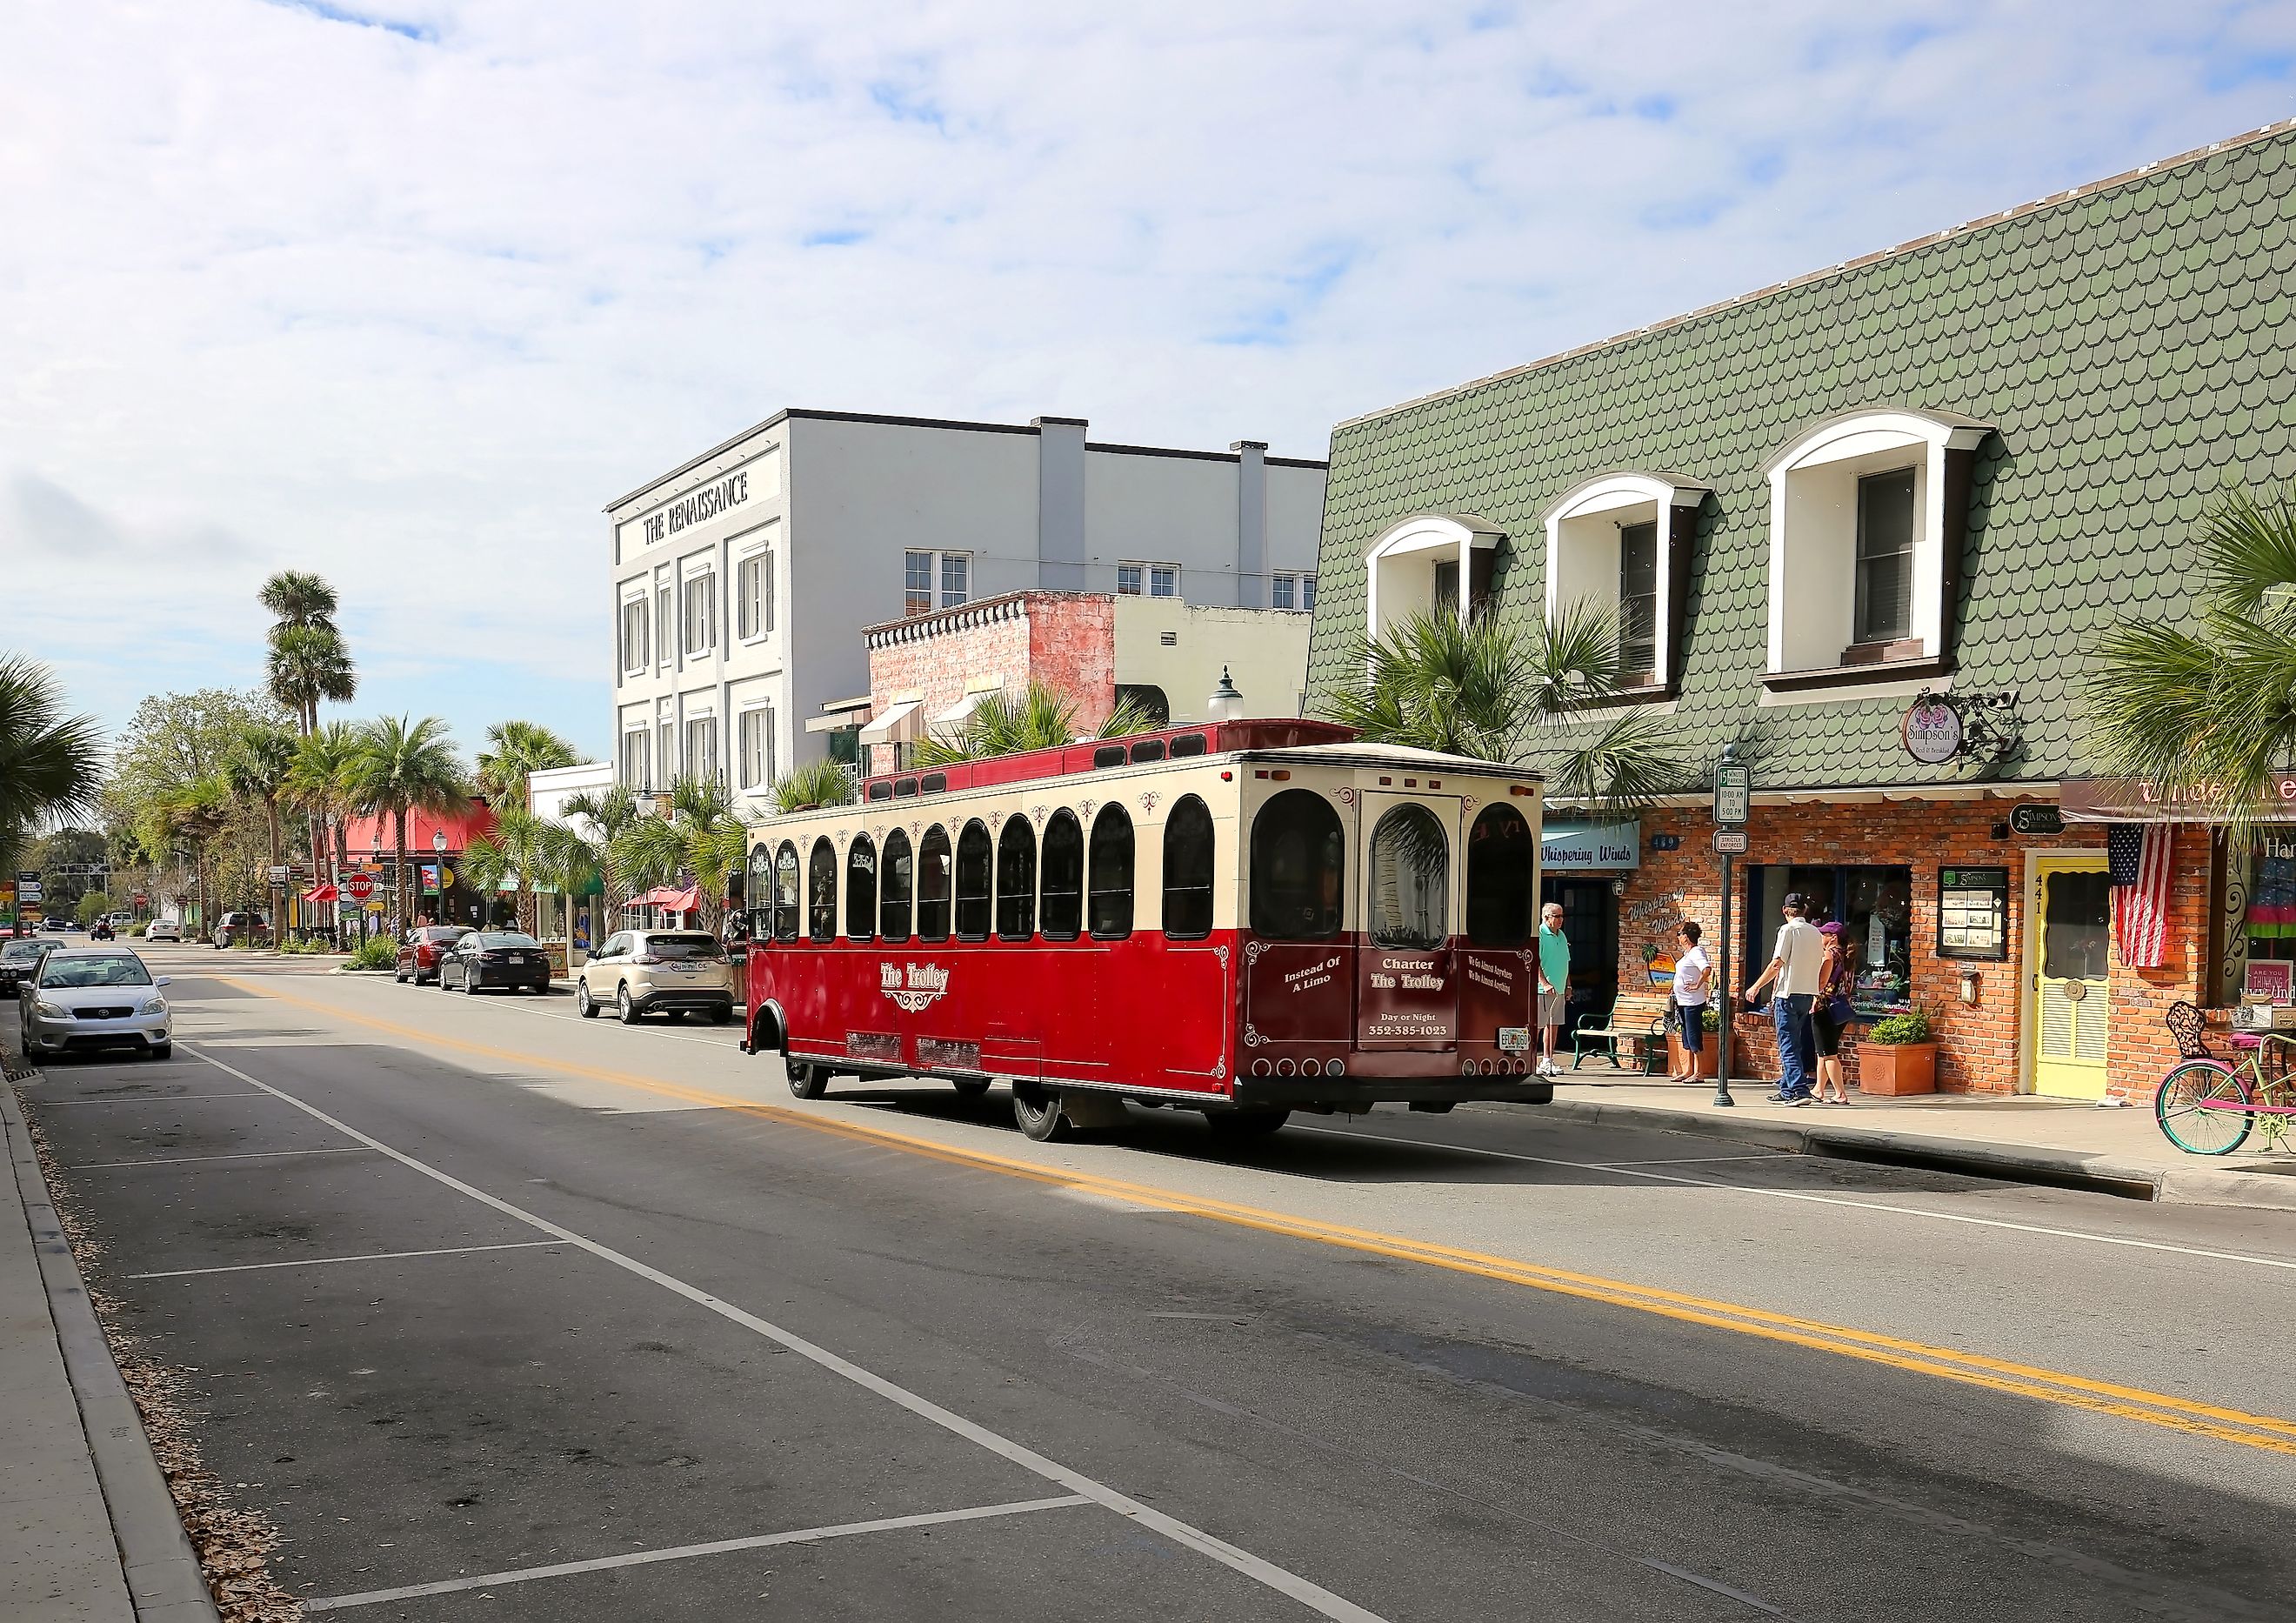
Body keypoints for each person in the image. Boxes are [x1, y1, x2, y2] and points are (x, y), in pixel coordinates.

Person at [1743, 892, 1824, 1105]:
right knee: (1794, 1042)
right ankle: (1787, 1089)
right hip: (1807, 993)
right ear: (1804, 910)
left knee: (1787, 1045)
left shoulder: (1787, 930)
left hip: (1787, 994)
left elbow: (1777, 963)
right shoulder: (1815, 932)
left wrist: (1756, 986)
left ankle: (1799, 1090)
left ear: (1784, 911)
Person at [1810, 921, 1854, 1104]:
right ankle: (1819, 1089)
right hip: (1840, 1008)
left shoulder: (1830, 954)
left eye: (1824, 934)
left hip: (1824, 1007)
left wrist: (1813, 997)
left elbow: (1822, 983)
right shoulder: (1848, 956)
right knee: (1822, 1051)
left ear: (1833, 937)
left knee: (1828, 1053)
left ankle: (1840, 1094)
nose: (1821, 938)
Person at [1666, 920, 1711, 1083]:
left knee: (1693, 1036)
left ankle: (1699, 1073)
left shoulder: (1697, 952)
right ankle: (1689, 1070)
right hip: (1682, 1001)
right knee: (1686, 1035)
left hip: (1693, 1002)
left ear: (1686, 937)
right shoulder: (1688, 954)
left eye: (1680, 934)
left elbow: (1706, 970)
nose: (1678, 937)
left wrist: (1697, 985)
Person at [1536, 901, 1571, 1076]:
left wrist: (1568, 985)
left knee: (1554, 1025)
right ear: (1546, 917)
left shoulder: (1562, 935)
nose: (1561, 920)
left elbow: (1566, 961)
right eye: (1557, 916)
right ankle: (1529, 1060)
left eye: (1562, 916)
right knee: (1537, 1026)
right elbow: (1535, 962)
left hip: (1559, 989)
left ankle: (1547, 1061)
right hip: (1542, 990)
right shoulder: (1540, 934)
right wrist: (1544, 983)